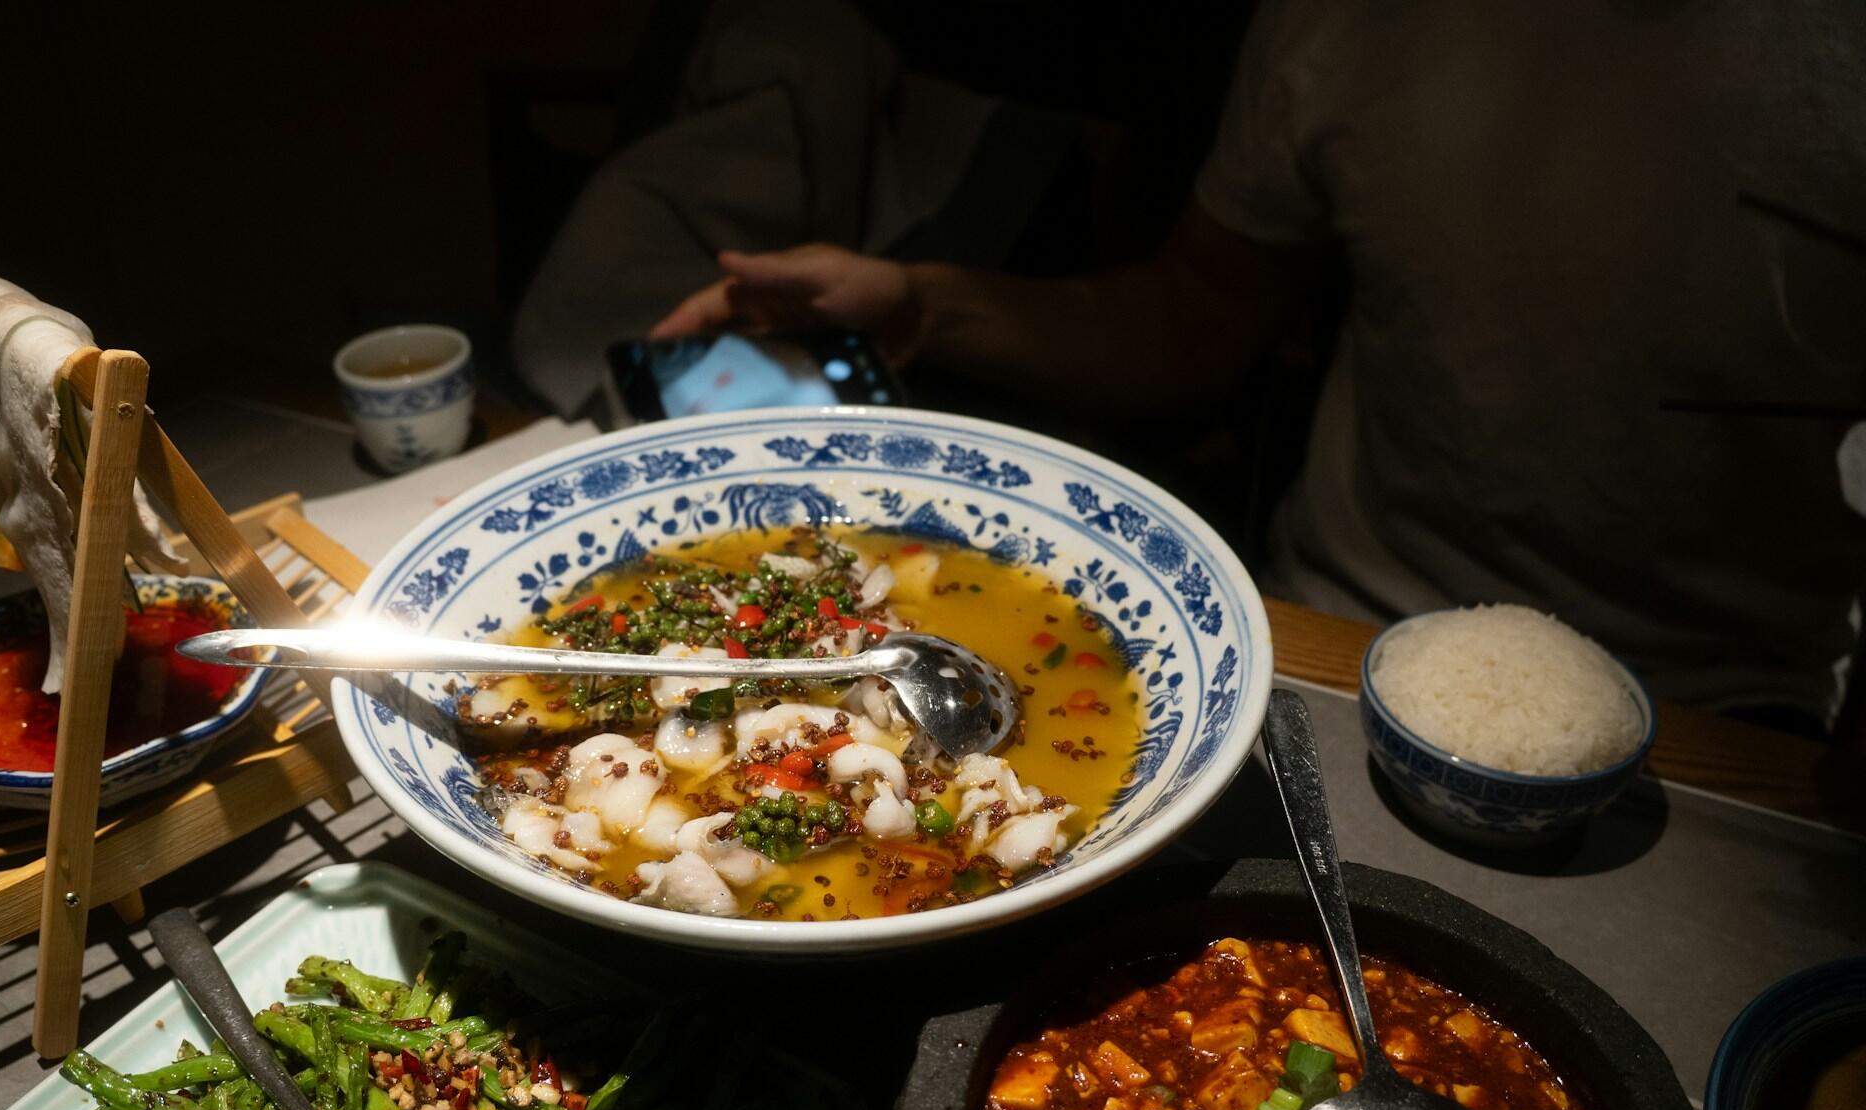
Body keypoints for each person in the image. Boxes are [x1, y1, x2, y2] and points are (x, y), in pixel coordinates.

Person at [652, 0, 1866, 731]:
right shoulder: (1345, 17)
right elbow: (1191, 319)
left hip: (1724, 713)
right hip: (1324, 641)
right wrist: (922, 305)